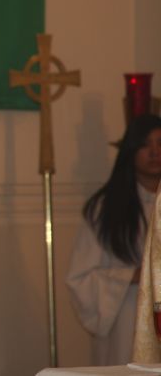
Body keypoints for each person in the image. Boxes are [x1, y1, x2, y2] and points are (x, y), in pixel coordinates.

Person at [67, 114, 161, 365]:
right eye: (145, 144)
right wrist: (133, 276)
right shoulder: (105, 209)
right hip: (125, 320)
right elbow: (80, 279)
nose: (155, 152)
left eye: (160, 143)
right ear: (131, 151)